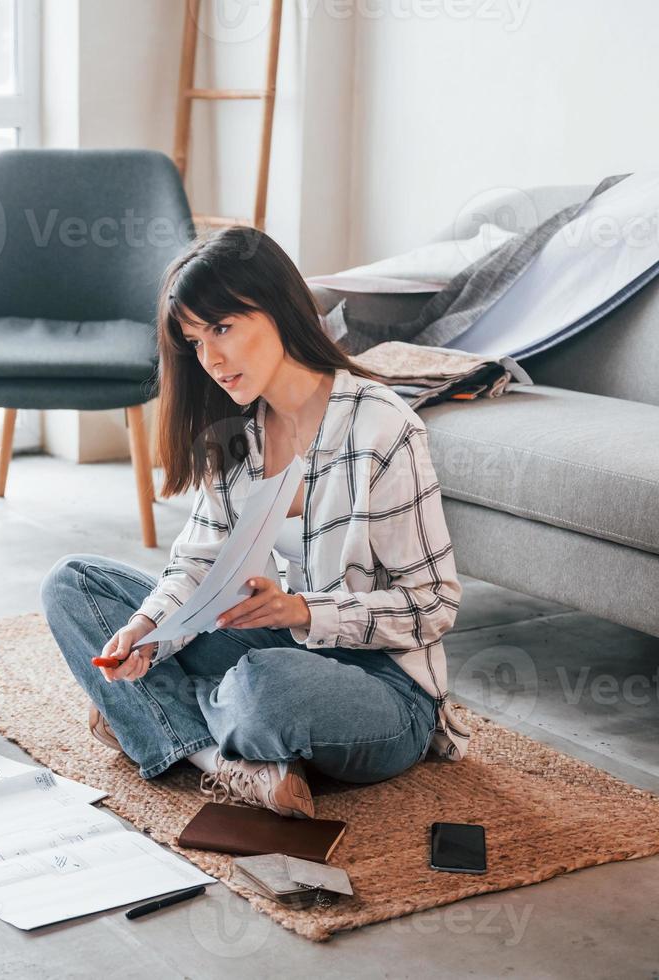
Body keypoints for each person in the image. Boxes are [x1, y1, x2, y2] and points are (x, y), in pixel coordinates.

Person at [40, 227, 471, 819]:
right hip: (277, 645)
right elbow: (196, 568)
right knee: (73, 586)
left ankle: (152, 719)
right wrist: (148, 631)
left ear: (276, 308)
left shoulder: (382, 429)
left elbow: (432, 607)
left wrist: (302, 611)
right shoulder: (234, 432)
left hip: (383, 688)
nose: (210, 359)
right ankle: (219, 763)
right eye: (194, 341)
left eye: (221, 328)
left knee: (264, 687)